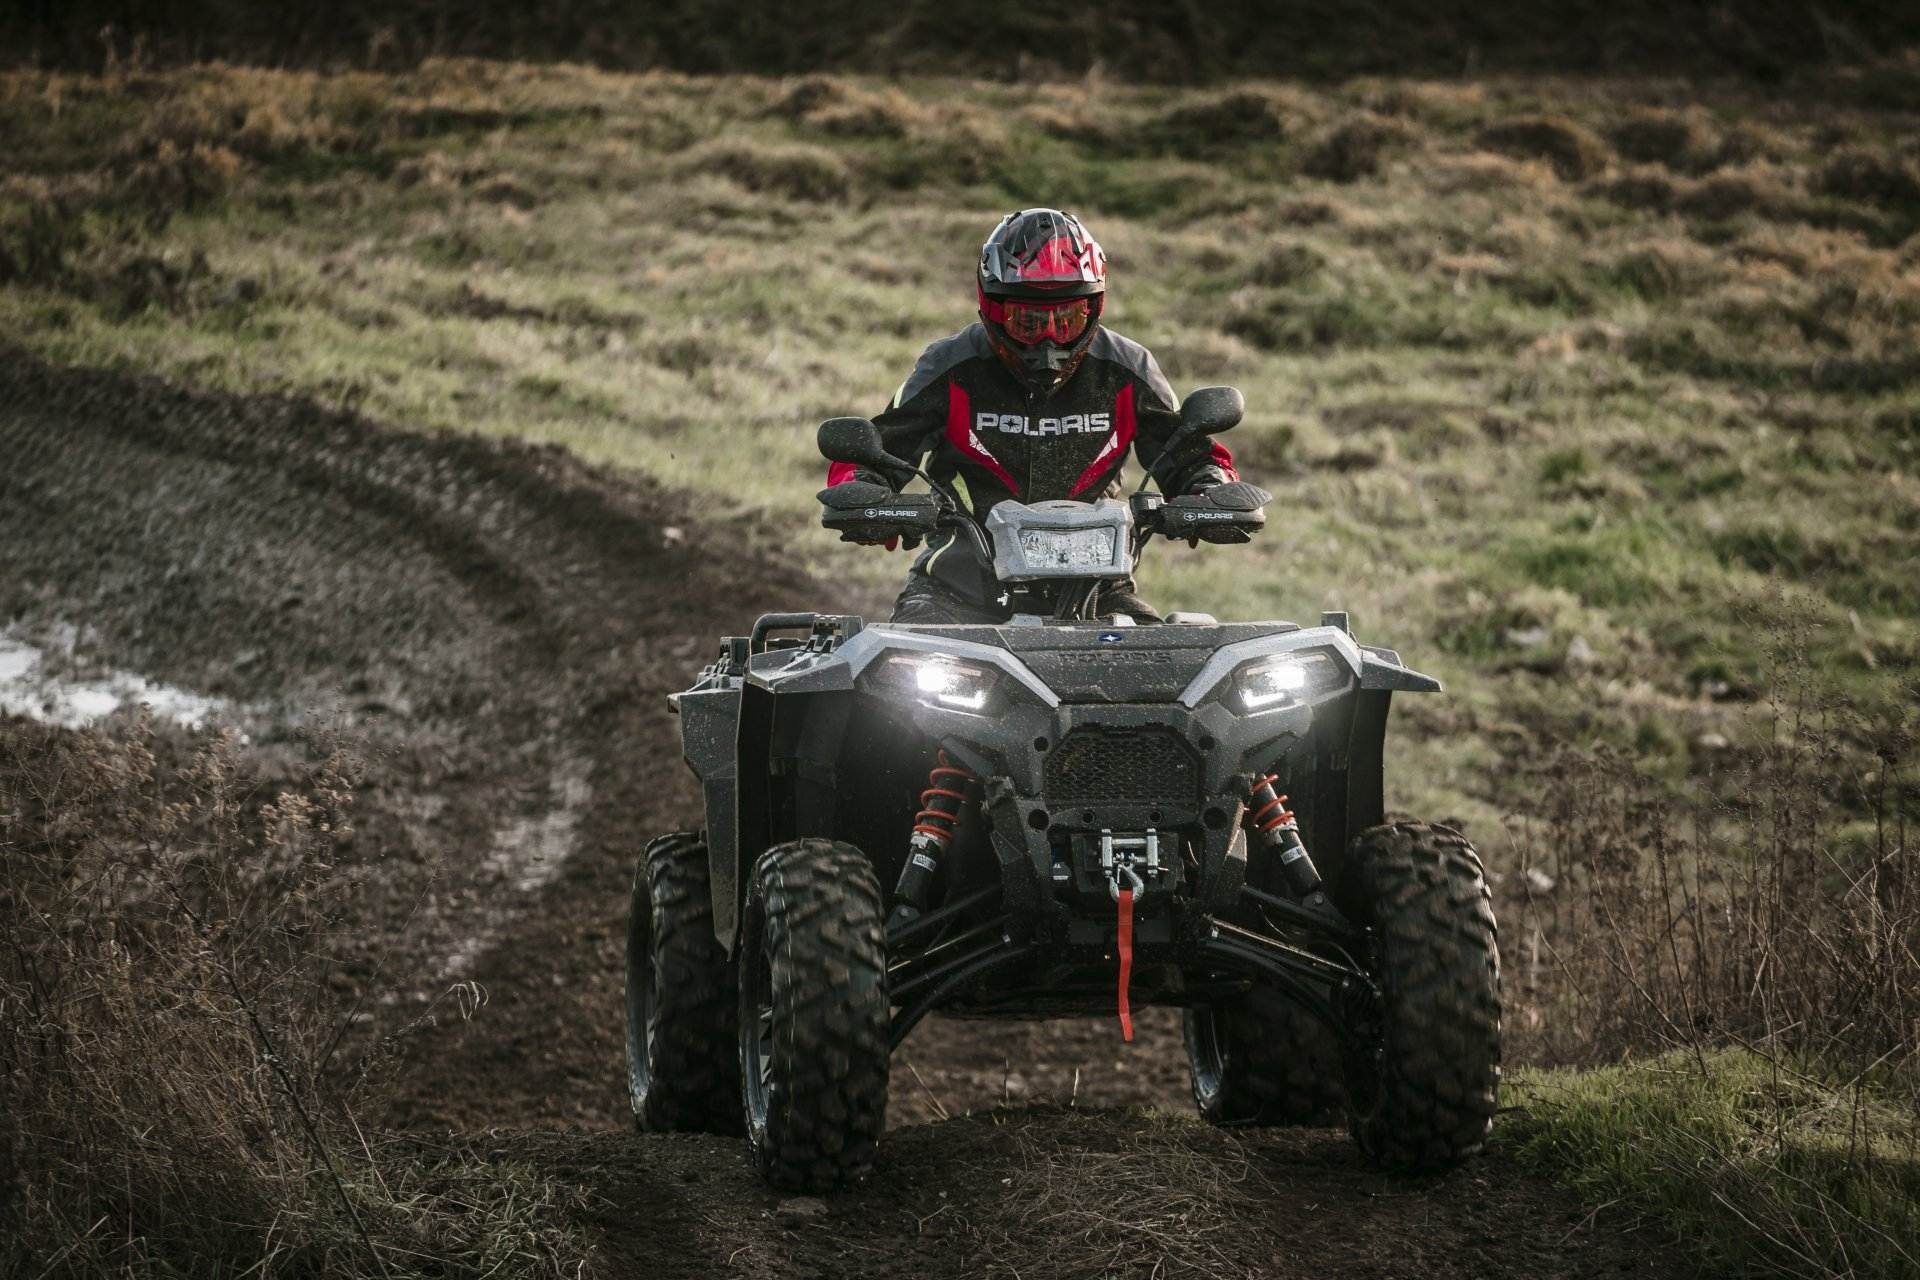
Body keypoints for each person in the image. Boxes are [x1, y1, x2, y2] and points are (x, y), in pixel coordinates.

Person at [820, 208, 1239, 624]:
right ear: (993, 309)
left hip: (1098, 593)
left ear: (1093, 309)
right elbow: (875, 453)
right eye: (1029, 322)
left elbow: (1189, 455)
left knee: (1165, 675)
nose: (1048, 339)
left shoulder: (1128, 369)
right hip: (956, 593)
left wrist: (1210, 490)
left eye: (1067, 320)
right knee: (892, 678)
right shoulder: (949, 366)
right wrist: (863, 492)